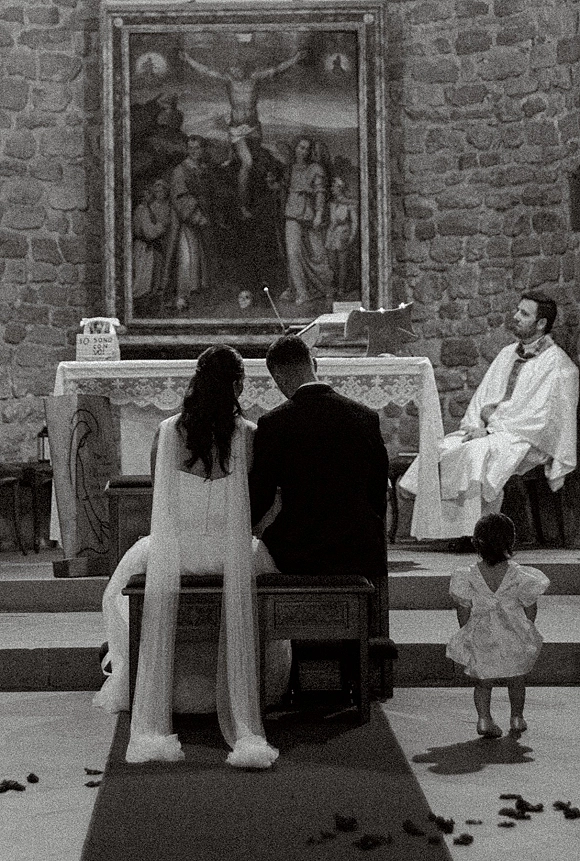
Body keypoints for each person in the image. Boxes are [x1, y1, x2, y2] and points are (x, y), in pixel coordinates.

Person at [94, 345, 290, 768]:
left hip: (175, 552)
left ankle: (156, 695)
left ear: (196, 382)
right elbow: (263, 503)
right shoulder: (250, 434)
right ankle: (256, 697)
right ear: (238, 385)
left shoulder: (165, 432)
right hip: (231, 555)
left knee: (116, 588)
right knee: (267, 572)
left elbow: (158, 499)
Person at [400, 291, 579, 546]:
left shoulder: (559, 366)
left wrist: (492, 431)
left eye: (524, 314)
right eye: (517, 310)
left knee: (475, 455)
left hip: (524, 439)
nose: (515, 316)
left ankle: (478, 535)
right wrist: (475, 426)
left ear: (541, 324)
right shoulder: (507, 353)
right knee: (443, 448)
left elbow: (543, 419)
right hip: (491, 431)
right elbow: (482, 398)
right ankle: (449, 531)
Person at [249, 335, 390, 577]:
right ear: (314, 364)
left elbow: (261, 496)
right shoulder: (365, 417)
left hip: (299, 549)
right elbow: (377, 491)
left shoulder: (273, 424)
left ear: (278, 378)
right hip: (358, 546)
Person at [446, 513, 549, 737]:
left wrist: (466, 629)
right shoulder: (520, 574)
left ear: (476, 542)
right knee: (517, 677)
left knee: (483, 680)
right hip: (513, 629)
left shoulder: (468, 575)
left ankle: (484, 719)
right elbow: (530, 605)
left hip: (482, 630)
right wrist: (526, 626)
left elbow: (463, 607)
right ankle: (517, 717)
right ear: (511, 541)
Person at [180, 50, 304, 219]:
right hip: (237, 129)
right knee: (247, 162)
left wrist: (295, 58)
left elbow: (277, 69)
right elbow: (207, 71)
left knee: (258, 156)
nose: (233, 72)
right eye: (231, 69)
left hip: (254, 128)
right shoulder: (229, 80)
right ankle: (243, 205)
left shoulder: (255, 78)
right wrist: (188, 59)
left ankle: (234, 157)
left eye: (236, 69)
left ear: (243, 68)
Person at [280, 137, 334, 305]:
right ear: (295, 148)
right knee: (293, 252)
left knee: (316, 254)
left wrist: (318, 214)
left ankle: (323, 287)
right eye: (300, 147)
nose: (302, 151)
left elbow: (320, 193)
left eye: (306, 148)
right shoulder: (290, 168)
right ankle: (300, 291)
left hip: (309, 214)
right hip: (292, 213)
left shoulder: (315, 168)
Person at [164, 135, 214, 309]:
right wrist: (197, 216)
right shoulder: (180, 170)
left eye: (197, 148)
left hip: (204, 218)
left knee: (201, 257)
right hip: (186, 221)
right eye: (191, 148)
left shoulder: (203, 168)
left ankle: (197, 294)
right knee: (187, 257)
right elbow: (180, 197)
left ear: (202, 149)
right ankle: (181, 296)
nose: (194, 151)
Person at [324, 176, 358, 298]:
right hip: (332, 234)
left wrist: (352, 236)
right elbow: (328, 219)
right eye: (332, 187)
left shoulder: (349, 204)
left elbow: (354, 222)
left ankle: (341, 288)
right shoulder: (331, 204)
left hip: (343, 233)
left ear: (340, 188)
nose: (332, 189)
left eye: (334, 187)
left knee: (342, 262)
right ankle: (334, 285)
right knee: (332, 263)